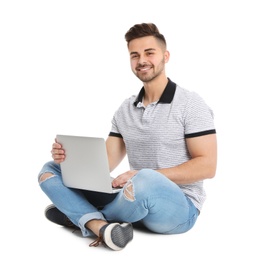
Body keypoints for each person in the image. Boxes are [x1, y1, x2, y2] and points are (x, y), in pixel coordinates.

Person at [38, 23, 217, 251]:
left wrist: (145, 175)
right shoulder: (125, 109)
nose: (142, 60)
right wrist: (69, 159)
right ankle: (99, 225)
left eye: (149, 52)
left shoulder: (190, 104)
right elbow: (104, 165)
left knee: (146, 180)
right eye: (135, 55)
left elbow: (208, 166)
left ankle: (78, 213)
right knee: (50, 169)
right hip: (131, 197)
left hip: (180, 207)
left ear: (166, 56)